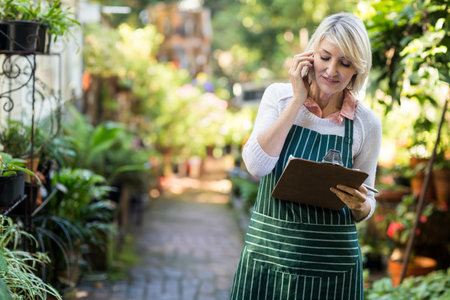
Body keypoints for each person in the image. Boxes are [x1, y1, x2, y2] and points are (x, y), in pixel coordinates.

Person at [230, 12, 381, 299]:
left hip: (333, 271)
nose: (332, 70)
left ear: (357, 70)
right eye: (325, 57)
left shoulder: (366, 124)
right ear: (310, 55)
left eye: (345, 63)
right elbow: (257, 166)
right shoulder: (279, 97)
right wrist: (298, 100)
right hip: (268, 260)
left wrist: (360, 206)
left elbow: (367, 204)